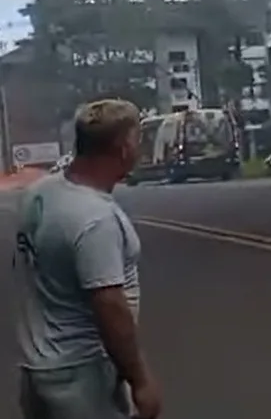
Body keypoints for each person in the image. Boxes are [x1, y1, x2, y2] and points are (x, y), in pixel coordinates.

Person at [12, 99, 162, 419]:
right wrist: (141, 380)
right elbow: (109, 306)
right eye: (137, 139)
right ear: (122, 148)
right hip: (82, 373)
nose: (140, 148)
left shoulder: (40, 193)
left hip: (39, 369)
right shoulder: (95, 219)